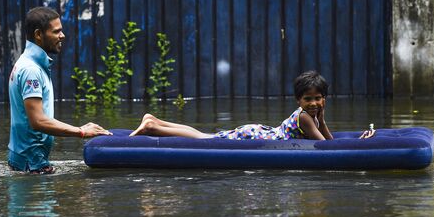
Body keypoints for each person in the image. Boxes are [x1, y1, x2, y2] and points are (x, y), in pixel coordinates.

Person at [8, 7, 112, 174]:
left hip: (26, 161)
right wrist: (82, 131)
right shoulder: (31, 70)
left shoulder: (27, 63)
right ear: (38, 35)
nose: (62, 36)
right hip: (32, 164)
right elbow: (38, 121)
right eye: (56, 31)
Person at [130, 70, 376, 140]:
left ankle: (155, 120)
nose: (313, 103)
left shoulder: (314, 115)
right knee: (204, 139)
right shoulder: (303, 117)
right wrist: (358, 144)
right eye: (307, 99)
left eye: (317, 98)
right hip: (254, 137)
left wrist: (322, 119)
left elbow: (326, 137)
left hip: (260, 131)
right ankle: (153, 127)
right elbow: (327, 148)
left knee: (204, 135)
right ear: (298, 101)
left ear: (324, 98)